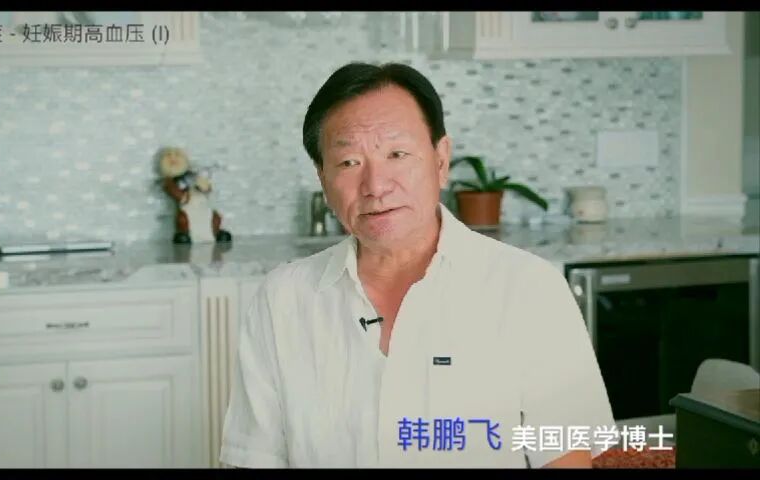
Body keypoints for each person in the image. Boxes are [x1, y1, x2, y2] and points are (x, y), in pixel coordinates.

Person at [219, 62, 615, 468]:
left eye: (397, 154)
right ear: (322, 176)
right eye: (349, 162)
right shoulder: (283, 299)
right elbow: (254, 458)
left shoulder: (529, 289)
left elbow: (567, 458)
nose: (376, 186)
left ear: (440, 160)